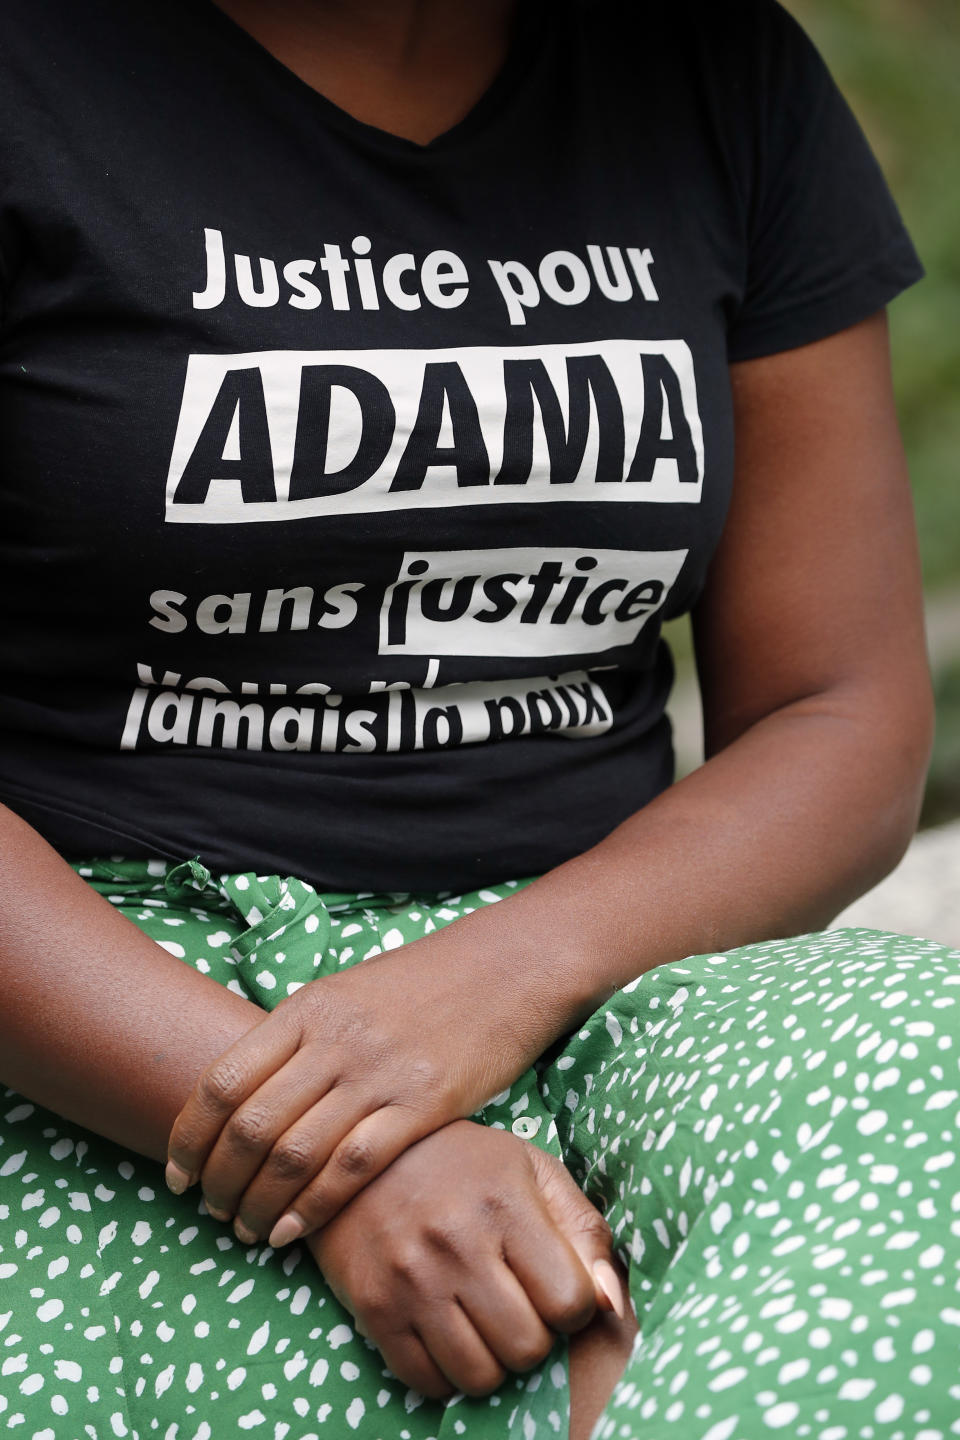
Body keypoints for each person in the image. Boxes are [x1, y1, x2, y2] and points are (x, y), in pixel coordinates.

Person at [0, 1, 948, 1437]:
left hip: (610, 963)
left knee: (925, 1087)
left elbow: (842, 709)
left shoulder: (716, 73)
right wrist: (338, 1147)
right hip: (103, 1001)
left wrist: (491, 989)